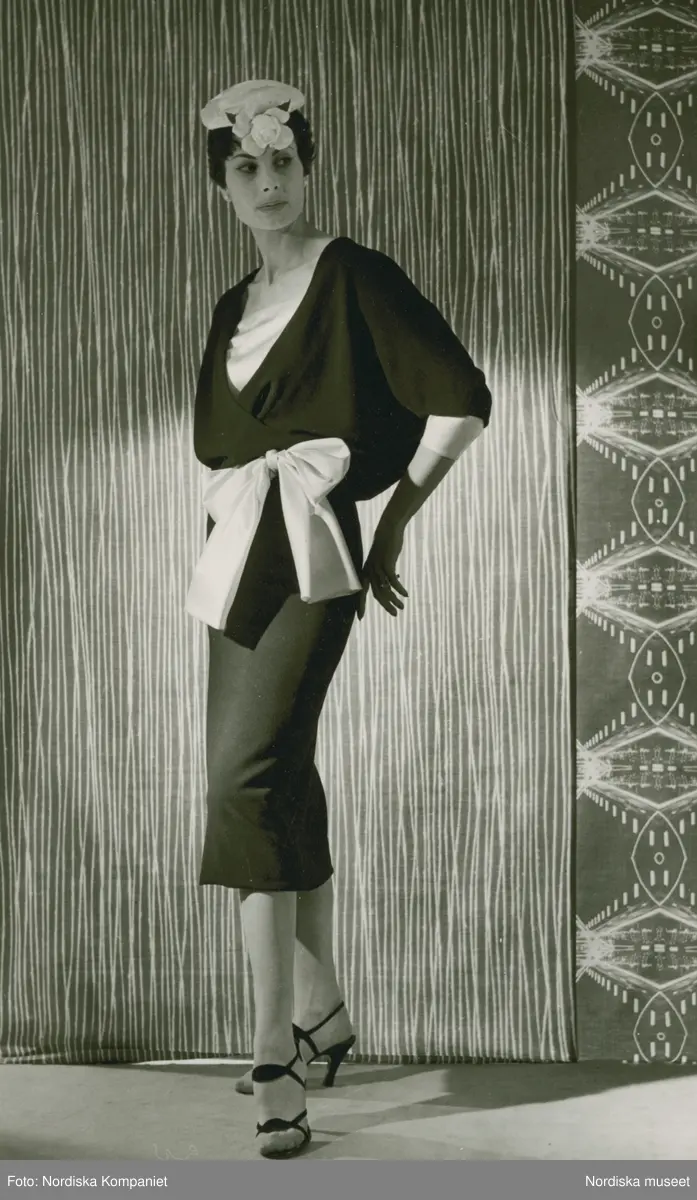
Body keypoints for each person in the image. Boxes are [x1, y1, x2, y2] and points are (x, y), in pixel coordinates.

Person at [186, 79, 493, 1159]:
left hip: (316, 557)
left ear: (307, 168)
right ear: (222, 188)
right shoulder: (230, 307)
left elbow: (460, 397)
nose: (267, 182)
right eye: (245, 168)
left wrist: (393, 523)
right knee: (276, 778)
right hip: (238, 558)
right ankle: (321, 1012)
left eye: (283, 162)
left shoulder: (354, 273)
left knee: (241, 782)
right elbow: (222, 447)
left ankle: (275, 1049)